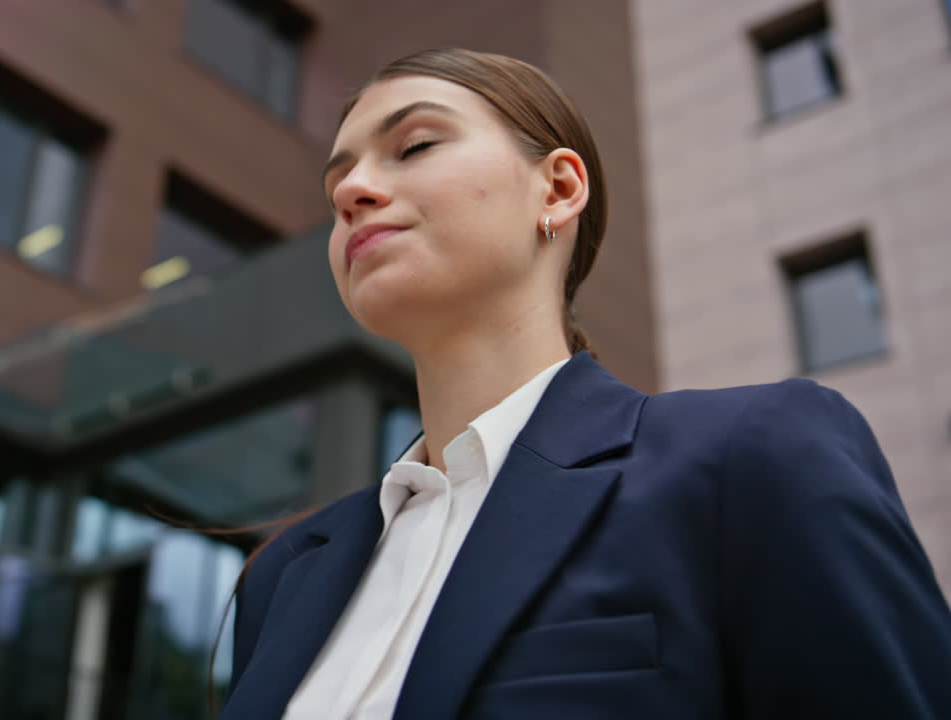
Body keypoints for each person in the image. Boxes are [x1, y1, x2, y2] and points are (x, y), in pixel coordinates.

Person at [219, 48, 951, 719]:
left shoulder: (752, 458)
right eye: (337, 181)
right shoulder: (285, 577)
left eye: (413, 146)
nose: (353, 190)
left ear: (560, 188)